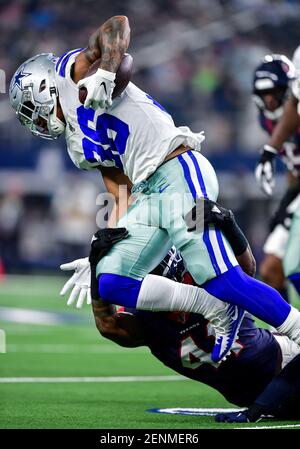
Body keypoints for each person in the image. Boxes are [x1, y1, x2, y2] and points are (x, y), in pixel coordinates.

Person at [9, 16, 300, 362]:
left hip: (180, 172)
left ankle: (296, 328)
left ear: (42, 89)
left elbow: (116, 26)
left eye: (32, 111)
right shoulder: (75, 144)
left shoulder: (73, 73)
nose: (36, 121)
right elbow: (119, 189)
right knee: (111, 279)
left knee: (222, 279)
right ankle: (216, 309)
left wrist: (107, 70)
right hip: (149, 195)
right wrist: (103, 245)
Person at [60, 203, 300, 423]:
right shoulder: (141, 311)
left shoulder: (199, 271)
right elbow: (109, 326)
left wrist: (229, 224)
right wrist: (97, 269)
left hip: (285, 362)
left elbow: (246, 272)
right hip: (253, 393)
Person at [252, 54, 300, 302]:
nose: (270, 100)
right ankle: (290, 331)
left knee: (294, 265)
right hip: (297, 192)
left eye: (276, 91)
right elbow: (293, 168)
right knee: (271, 269)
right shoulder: (267, 122)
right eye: (265, 94)